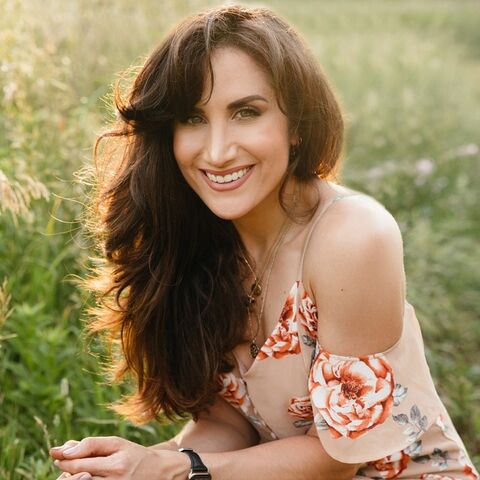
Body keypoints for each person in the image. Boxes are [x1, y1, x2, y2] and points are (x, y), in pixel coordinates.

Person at [50, 5, 478, 480]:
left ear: (298, 124)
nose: (217, 151)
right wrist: (134, 467)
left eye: (246, 112)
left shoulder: (352, 237)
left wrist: (174, 469)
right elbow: (229, 422)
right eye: (192, 117)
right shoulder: (204, 239)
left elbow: (338, 460)